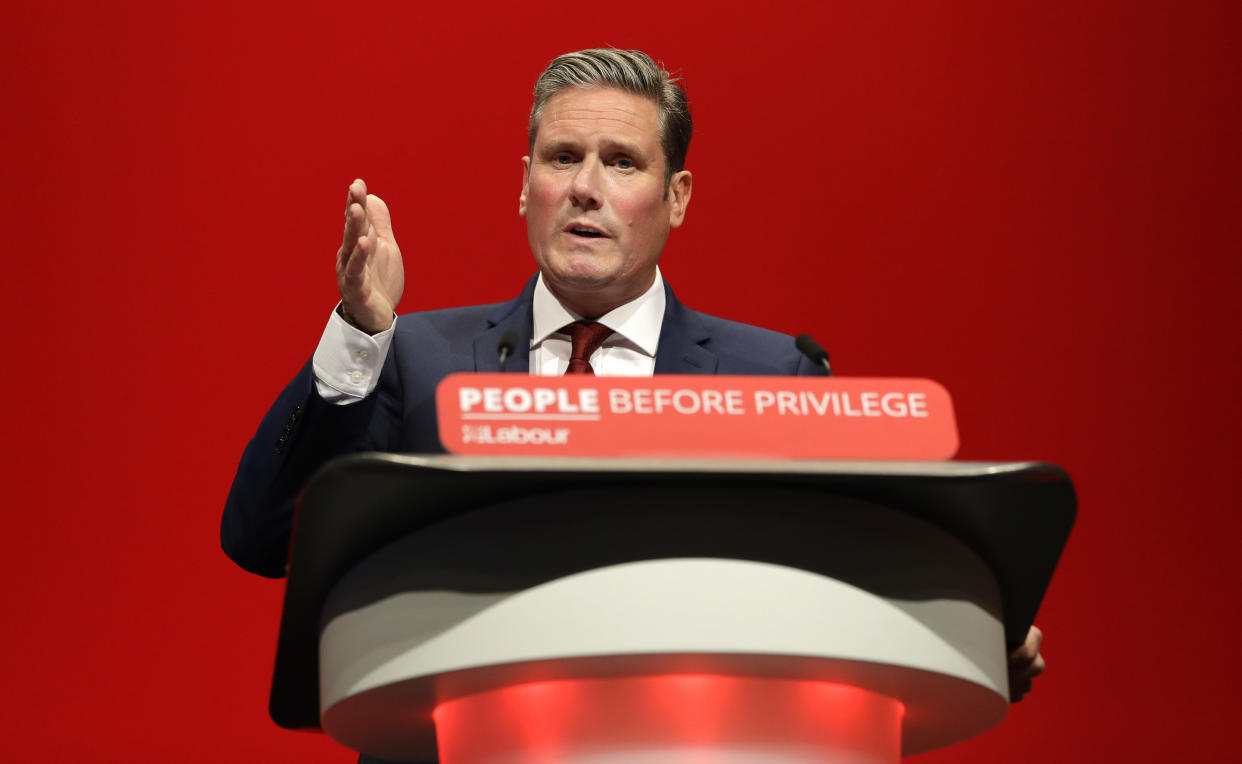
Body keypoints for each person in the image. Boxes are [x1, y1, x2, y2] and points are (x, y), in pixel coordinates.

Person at [222, 49, 1043, 758]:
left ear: (677, 196)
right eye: (561, 156)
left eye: (622, 161)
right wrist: (359, 334)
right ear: (524, 185)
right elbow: (261, 538)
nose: (585, 187)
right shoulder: (416, 357)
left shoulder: (774, 374)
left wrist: (969, 624)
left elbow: (848, 579)